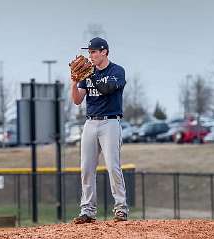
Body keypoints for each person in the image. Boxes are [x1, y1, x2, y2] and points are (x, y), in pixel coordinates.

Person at [71, 37, 128, 223]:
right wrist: (74, 82)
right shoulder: (88, 73)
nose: (91, 55)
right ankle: (87, 211)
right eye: (89, 52)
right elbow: (77, 100)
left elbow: (106, 88)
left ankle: (120, 208)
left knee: (112, 166)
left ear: (105, 52)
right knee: (86, 168)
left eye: (94, 51)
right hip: (90, 123)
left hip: (110, 123)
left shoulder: (117, 71)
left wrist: (89, 75)